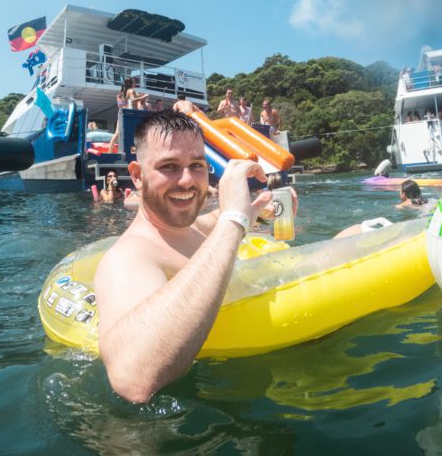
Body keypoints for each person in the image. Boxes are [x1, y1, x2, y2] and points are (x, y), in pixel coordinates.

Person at [93, 111, 296, 402]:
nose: (187, 180)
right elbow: (132, 379)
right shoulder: (129, 258)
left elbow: (217, 218)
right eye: (169, 166)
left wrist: (260, 211)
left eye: (197, 166)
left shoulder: (193, 228)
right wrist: (235, 219)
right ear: (137, 176)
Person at [109, 78, 149, 151]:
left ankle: (109, 152)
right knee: (136, 133)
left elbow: (120, 105)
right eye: (134, 82)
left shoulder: (120, 94)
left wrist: (139, 97)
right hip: (132, 114)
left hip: (121, 114)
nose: (135, 84)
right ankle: (134, 152)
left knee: (117, 134)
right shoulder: (131, 91)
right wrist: (145, 96)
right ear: (131, 84)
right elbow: (133, 100)